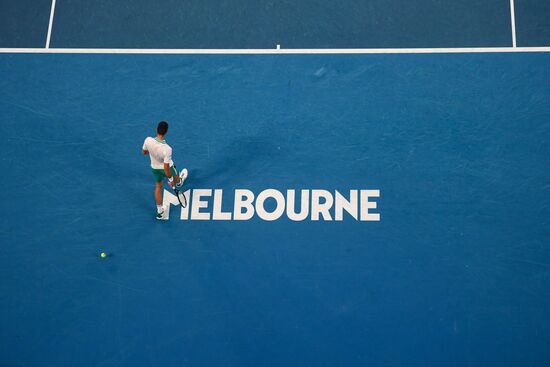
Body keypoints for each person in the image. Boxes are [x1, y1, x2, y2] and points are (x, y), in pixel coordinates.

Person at [142, 121, 188, 219]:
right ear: (166, 132)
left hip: (154, 168)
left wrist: (152, 151)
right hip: (166, 168)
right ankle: (179, 182)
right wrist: (171, 180)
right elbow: (166, 167)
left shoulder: (148, 140)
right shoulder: (167, 149)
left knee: (158, 186)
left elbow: (144, 152)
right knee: (176, 178)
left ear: (156, 129)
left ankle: (160, 212)